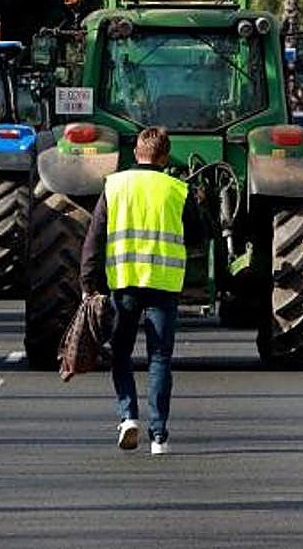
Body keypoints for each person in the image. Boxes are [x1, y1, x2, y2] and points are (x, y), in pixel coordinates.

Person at [80, 126, 204, 455]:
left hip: (123, 283)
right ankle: (159, 436)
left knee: (120, 353)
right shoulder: (178, 190)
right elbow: (197, 235)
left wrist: (87, 283)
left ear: (136, 152)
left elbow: (94, 237)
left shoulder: (115, 186)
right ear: (165, 156)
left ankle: (128, 417)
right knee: (160, 358)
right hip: (163, 284)